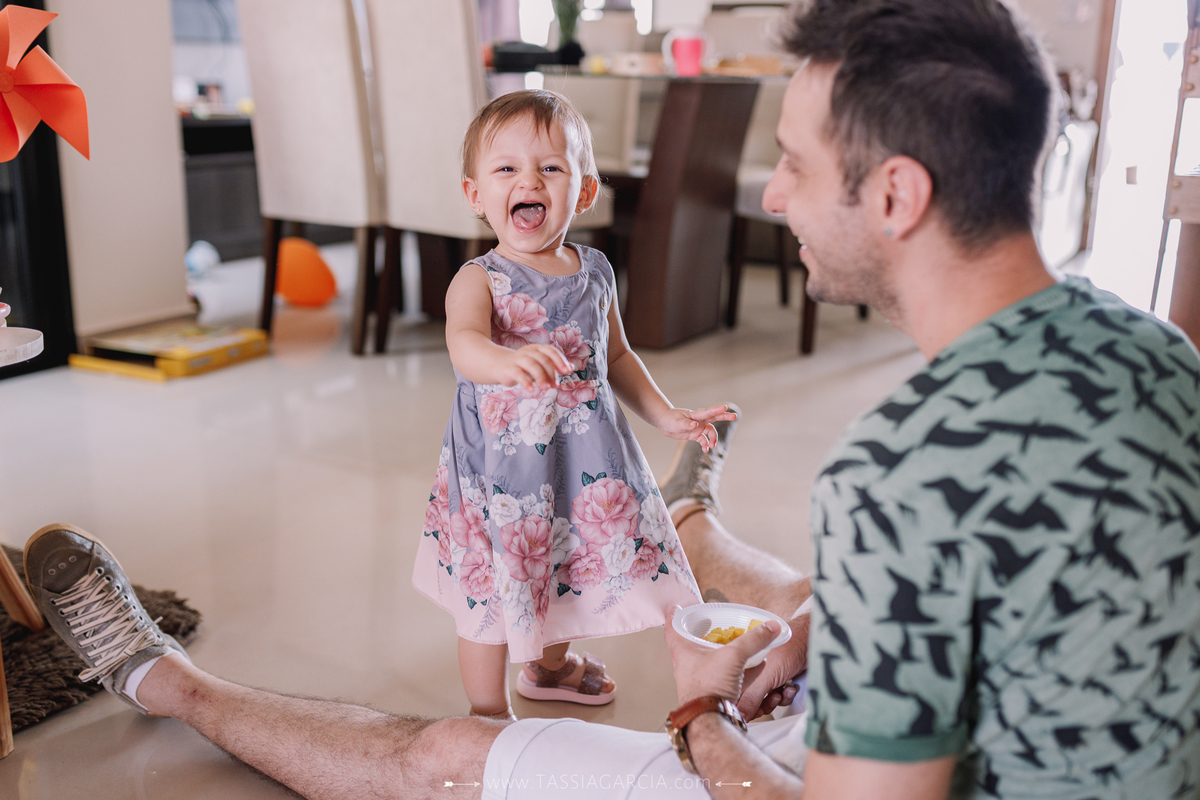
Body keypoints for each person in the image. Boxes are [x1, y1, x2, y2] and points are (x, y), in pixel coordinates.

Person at [25, 1, 1200, 798]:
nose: (775, 194)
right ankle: (697, 524)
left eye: (791, 160)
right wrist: (809, 638)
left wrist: (700, 720)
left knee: (451, 746)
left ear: (895, 193)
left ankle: (161, 676)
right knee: (803, 595)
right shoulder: (1162, 353)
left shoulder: (897, 469)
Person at [411, 89, 735, 719]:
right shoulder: (479, 279)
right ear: (476, 195)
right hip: (500, 479)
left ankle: (550, 666)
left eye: (550, 168)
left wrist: (666, 414)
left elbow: (616, 358)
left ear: (584, 192)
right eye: (505, 169)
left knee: (561, 564)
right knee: (493, 592)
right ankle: (487, 713)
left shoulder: (596, 271)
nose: (528, 180)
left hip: (581, 460)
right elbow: (464, 344)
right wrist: (506, 361)